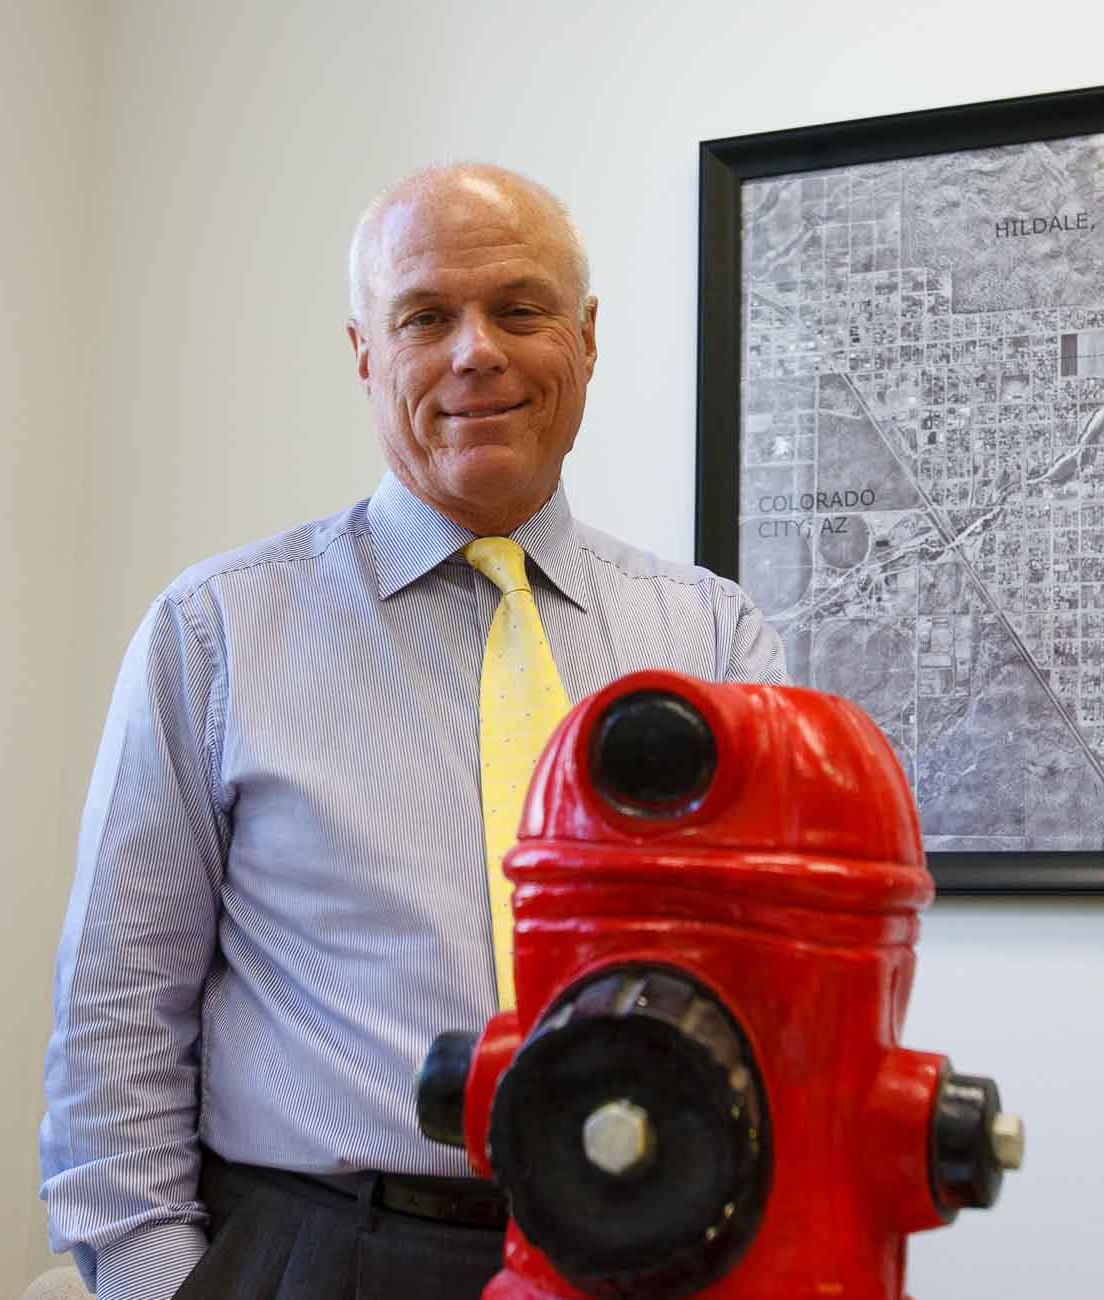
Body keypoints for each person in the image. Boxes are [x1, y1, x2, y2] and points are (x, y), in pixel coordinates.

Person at [39, 163, 788, 1300]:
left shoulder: (716, 644)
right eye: (426, 316)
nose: (475, 350)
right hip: (324, 1252)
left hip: (649, 1245)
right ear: (365, 354)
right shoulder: (215, 632)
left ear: (587, 341)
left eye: (519, 309)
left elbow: (774, 990)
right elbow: (115, 1015)